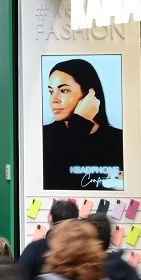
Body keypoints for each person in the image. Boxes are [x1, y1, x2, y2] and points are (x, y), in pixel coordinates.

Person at [41, 58, 126, 191]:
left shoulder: (119, 140)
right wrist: (80, 122)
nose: (53, 99)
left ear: (90, 94)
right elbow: (57, 180)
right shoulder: (44, 137)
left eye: (64, 91)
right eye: (51, 91)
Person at [19, 199, 81, 280]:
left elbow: (20, 279)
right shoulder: (85, 249)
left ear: (50, 218)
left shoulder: (34, 249)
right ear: (76, 220)